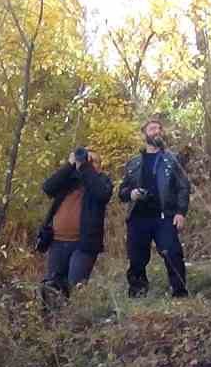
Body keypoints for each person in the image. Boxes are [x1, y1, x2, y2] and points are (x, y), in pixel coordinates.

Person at [117, 118, 191, 298]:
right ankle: (138, 293)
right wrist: (132, 193)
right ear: (144, 133)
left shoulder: (171, 160)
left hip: (164, 216)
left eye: (159, 128)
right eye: (152, 129)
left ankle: (180, 293)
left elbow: (183, 186)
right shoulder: (134, 163)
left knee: (172, 253)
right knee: (136, 259)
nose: (157, 132)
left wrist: (181, 212)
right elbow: (121, 192)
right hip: (138, 217)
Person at [37, 148, 114, 299]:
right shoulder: (69, 180)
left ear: (100, 166)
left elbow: (102, 194)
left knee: (75, 287)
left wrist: (86, 167)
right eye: (87, 160)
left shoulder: (103, 181)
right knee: (52, 287)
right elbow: (48, 188)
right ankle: (54, 321)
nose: (89, 164)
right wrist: (70, 165)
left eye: (94, 162)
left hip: (84, 245)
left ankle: (76, 320)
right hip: (58, 242)